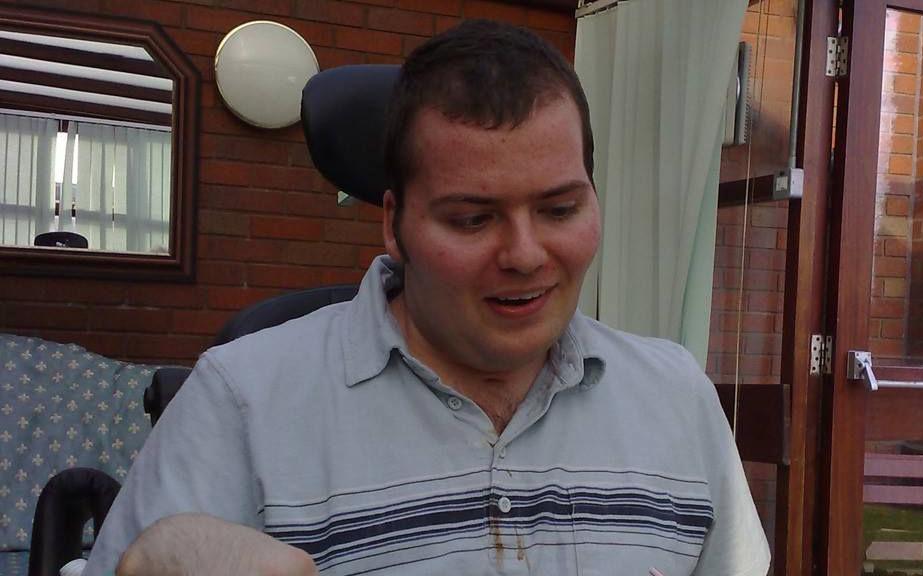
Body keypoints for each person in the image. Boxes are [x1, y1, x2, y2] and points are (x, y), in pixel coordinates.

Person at [84, 19, 770, 576]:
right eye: (472, 219)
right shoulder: (242, 400)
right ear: (393, 225)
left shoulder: (676, 394)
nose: (526, 254)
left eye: (560, 209)